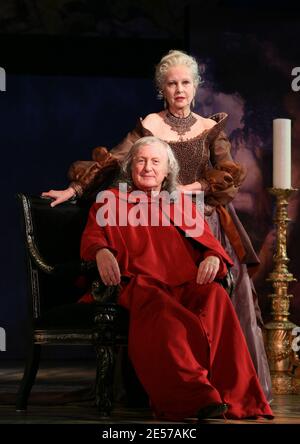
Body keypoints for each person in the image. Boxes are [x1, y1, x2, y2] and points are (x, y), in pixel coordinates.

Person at [42, 49, 272, 402]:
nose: (179, 90)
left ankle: (232, 389)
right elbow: (113, 162)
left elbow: (228, 178)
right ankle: (167, 389)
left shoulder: (211, 129)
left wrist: (185, 190)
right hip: (148, 218)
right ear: (161, 89)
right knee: (156, 297)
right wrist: (74, 189)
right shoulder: (149, 126)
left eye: (185, 83)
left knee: (226, 293)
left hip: (201, 216)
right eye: (171, 84)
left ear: (195, 87)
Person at [80, 136, 273, 421]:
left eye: (155, 162)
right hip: (140, 284)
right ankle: (196, 398)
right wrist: (101, 252)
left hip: (184, 283)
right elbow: (93, 238)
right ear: (131, 167)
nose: (147, 168)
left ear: (168, 170)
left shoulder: (179, 204)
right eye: (141, 161)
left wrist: (212, 256)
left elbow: (211, 246)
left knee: (217, 297)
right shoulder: (110, 202)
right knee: (164, 312)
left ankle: (238, 399)